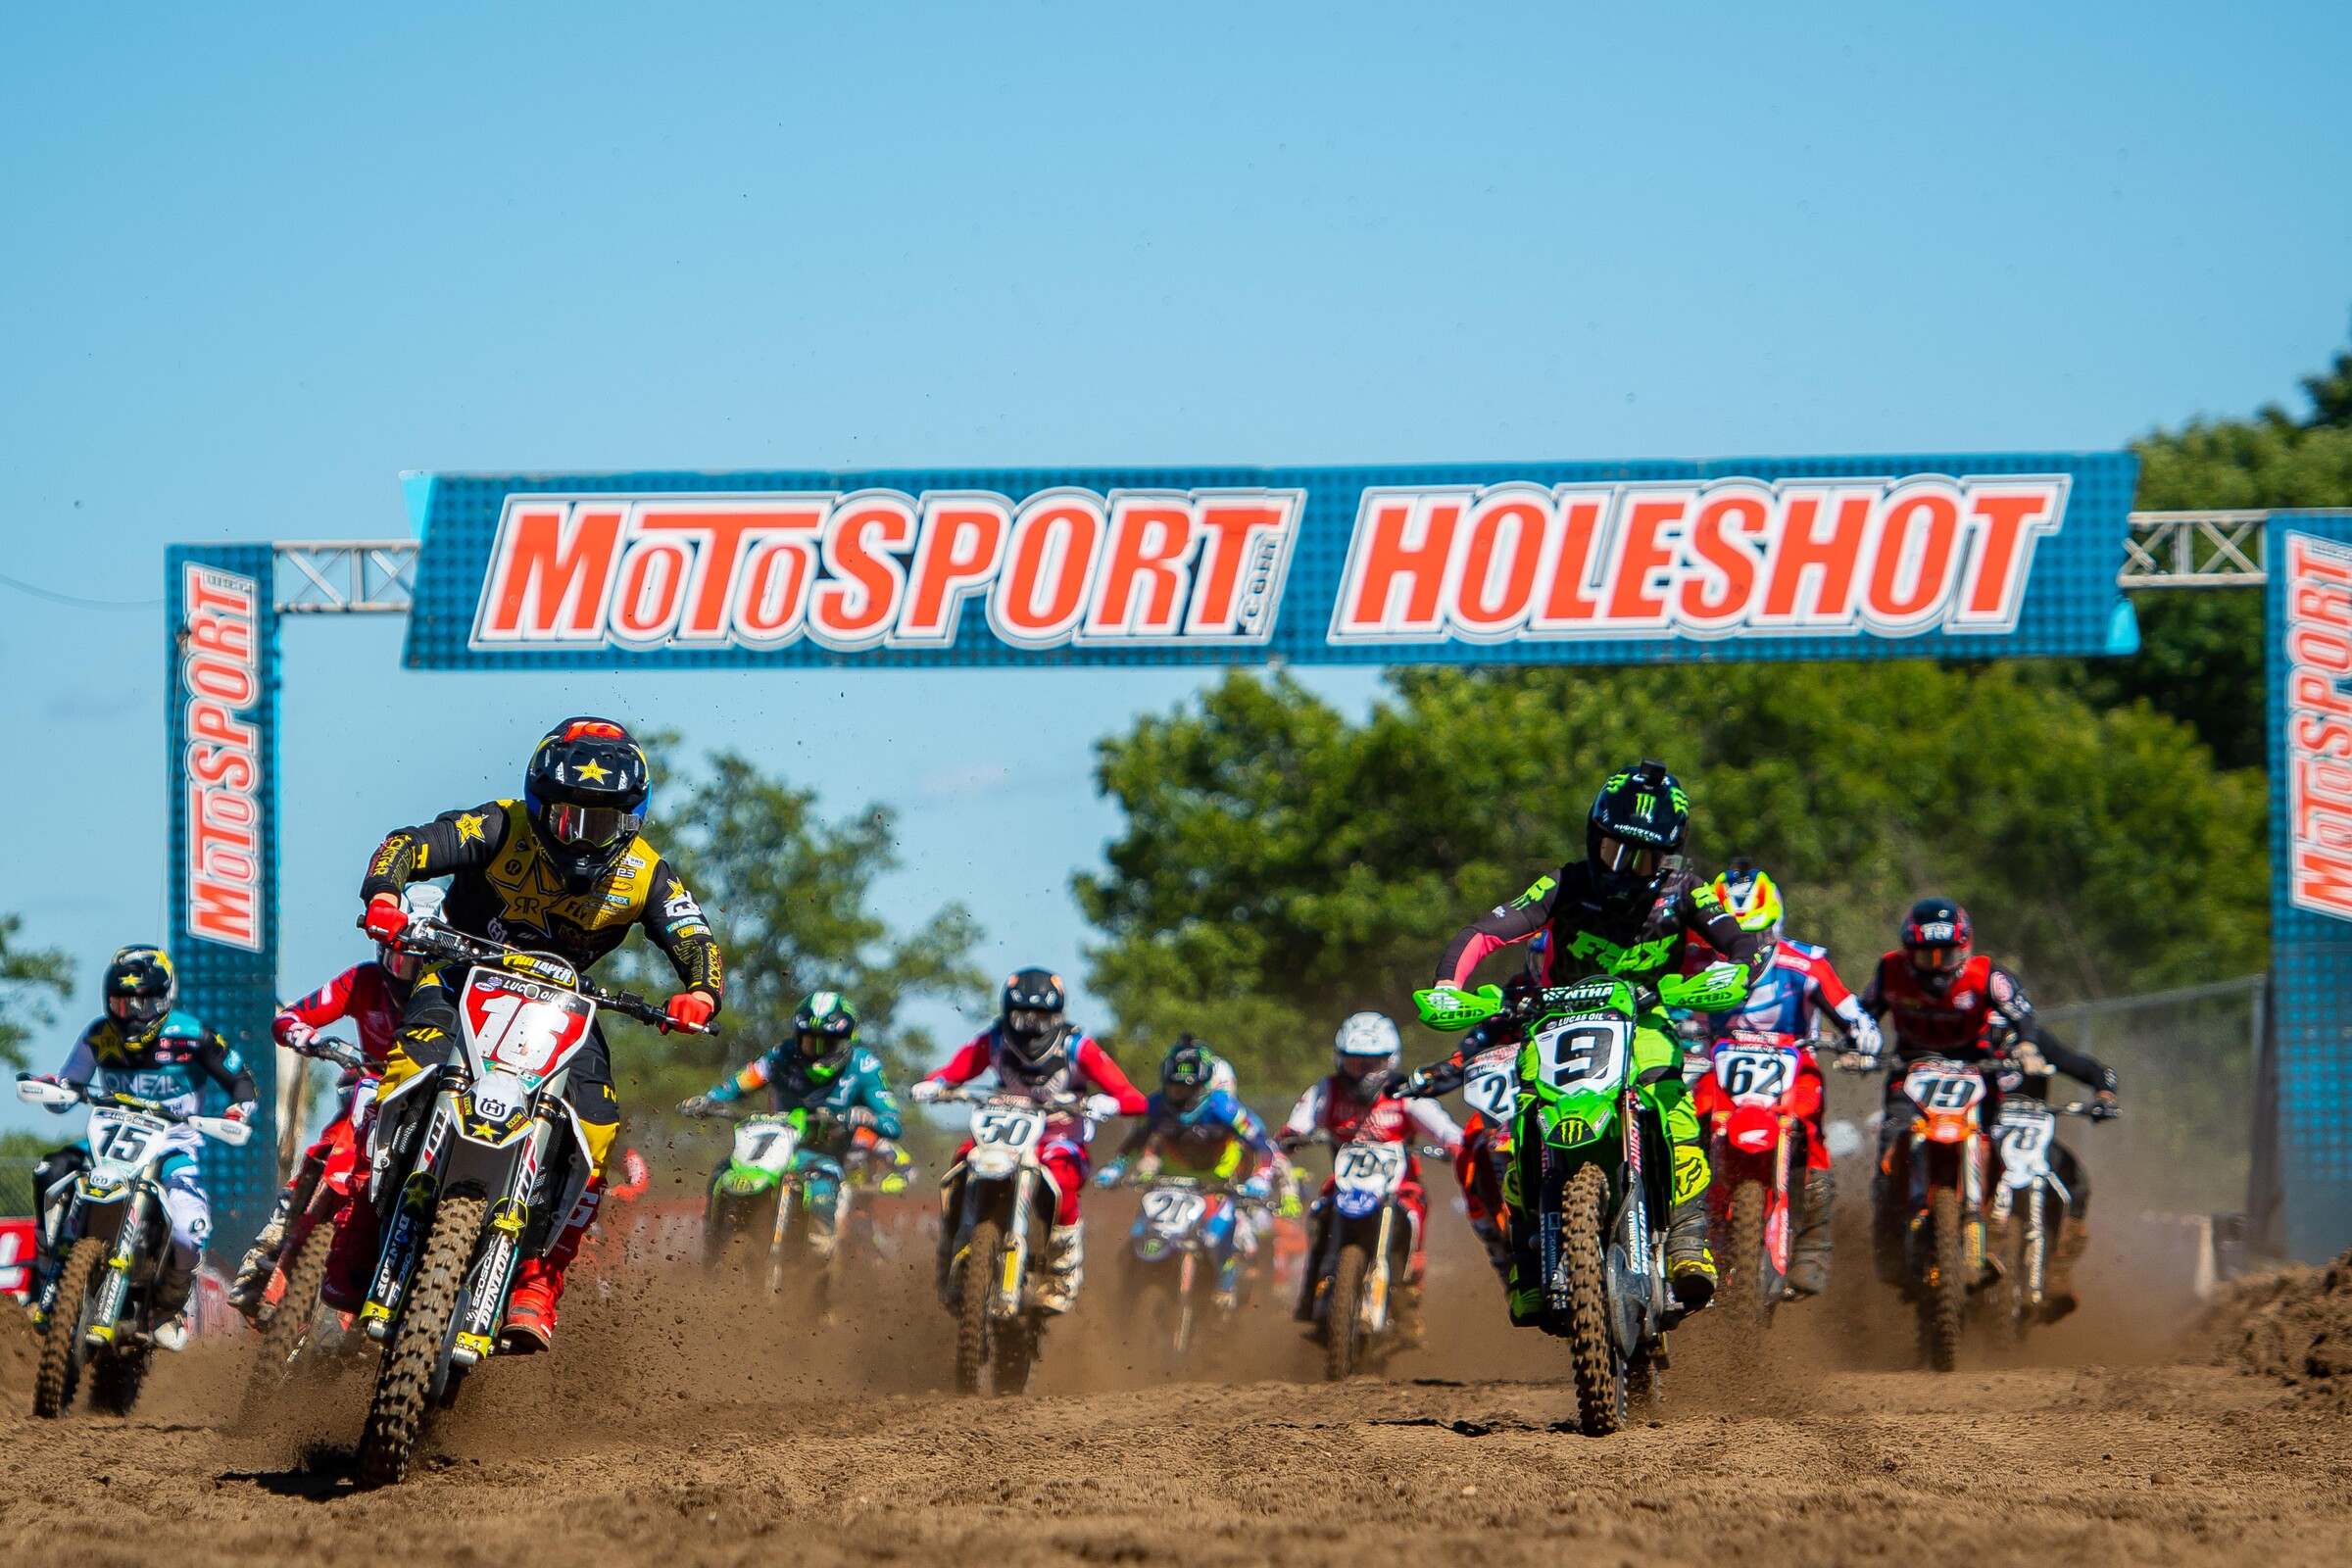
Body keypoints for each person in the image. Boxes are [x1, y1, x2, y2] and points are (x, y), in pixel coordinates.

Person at [344, 716, 724, 1350]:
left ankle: (539, 1284)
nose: (582, 835)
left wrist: (700, 993)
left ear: (632, 819)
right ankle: (373, 1203)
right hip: (460, 976)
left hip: (562, 1005)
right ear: (537, 802)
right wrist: (385, 894)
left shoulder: (646, 872)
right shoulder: (497, 825)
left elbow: (694, 937)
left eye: (603, 822)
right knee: (403, 1075)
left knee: (597, 1129)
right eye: (568, 816)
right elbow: (407, 844)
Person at [1427, 760, 1769, 1323]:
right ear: (1594, 836)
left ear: (1672, 853)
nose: (1628, 867)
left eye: (1646, 856)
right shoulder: (1564, 882)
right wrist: (1448, 984)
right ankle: (1529, 1265)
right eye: (1615, 849)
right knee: (1521, 1129)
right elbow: (1486, 931)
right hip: (1556, 1026)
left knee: (1674, 1110)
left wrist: (1729, 976)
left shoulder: (1688, 892)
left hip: (1647, 1025)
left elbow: (1746, 941)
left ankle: (1687, 1241)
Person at [1858, 897, 2120, 1290]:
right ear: (1908, 952)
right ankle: (1888, 1236)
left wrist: (2031, 1049)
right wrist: (1857, 1044)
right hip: (1910, 1073)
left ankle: (2005, 1235)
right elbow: (1862, 1015)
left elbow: (2038, 1032)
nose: (1937, 965)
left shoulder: (1990, 981)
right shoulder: (1889, 971)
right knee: (1889, 1151)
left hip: (1977, 1081)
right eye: (1926, 956)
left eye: (1946, 955)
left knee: (2019, 1155)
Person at [227, 884, 443, 1317]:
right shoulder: (364, 980)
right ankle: (270, 1246)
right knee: (325, 1147)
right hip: (370, 1087)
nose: (407, 970)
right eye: (400, 956)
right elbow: (290, 1017)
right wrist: (310, 1038)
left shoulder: (452, 992)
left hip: (432, 1101)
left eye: (420, 961)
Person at [26, 946, 257, 1347]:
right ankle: (44, 1271)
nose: (134, 1013)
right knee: (48, 1172)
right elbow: (68, 1087)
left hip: (171, 1148)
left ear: (165, 998)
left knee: (188, 1230)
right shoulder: (99, 1034)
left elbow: (242, 1081)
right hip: (106, 1143)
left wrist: (238, 1111)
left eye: (146, 1002)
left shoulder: (192, 1035)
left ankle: (169, 1305)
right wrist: (56, 1089)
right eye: (122, 1002)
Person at [1690, 860, 1881, 1298]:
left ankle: (1813, 1241)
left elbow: (1851, 1009)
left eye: (1756, 933)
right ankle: (1682, 1225)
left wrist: (1862, 1034)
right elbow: (1654, 992)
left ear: (1775, 925)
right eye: (1729, 935)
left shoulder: (1806, 962)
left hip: (1792, 1070)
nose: (1745, 945)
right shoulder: (1695, 961)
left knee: (1811, 1122)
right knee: (1687, 1120)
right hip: (1718, 1068)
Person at [908, 968, 1146, 1314]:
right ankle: (950, 1249)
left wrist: (1108, 1101)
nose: (1032, 1026)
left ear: (1058, 1016)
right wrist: (935, 1083)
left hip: (1058, 1139)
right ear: (1008, 1014)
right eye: (1022, 1017)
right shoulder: (995, 1039)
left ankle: (1062, 1275)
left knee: (1062, 1183)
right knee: (961, 1161)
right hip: (1001, 1133)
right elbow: (955, 1070)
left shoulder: (1077, 1045)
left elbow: (1133, 1097)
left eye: (1042, 1018)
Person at [679, 990, 905, 1263]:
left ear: (846, 1041)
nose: (817, 1053)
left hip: (827, 1157)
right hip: (770, 1151)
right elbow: (741, 1082)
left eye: (827, 1044)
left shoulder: (864, 1066)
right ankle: (713, 1250)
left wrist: (865, 1117)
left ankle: (817, 1272)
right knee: (723, 1172)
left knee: (822, 1191)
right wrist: (709, 1100)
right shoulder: (782, 1055)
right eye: (810, 1042)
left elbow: (891, 1122)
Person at [1282, 1012, 1463, 1344]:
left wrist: (1452, 1143)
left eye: (1373, 1063)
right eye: (1355, 1063)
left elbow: (1442, 1126)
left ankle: (1409, 1300)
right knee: (1320, 1213)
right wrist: (1292, 1135)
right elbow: (1302, 1119)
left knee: (1415, 1216)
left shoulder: (1403, 1091)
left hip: (1399, 1186)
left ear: (1390, 1061)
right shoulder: (1328, 1089)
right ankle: (1311, 1293)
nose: (1364, 1072)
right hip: (1345, 1183)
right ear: (1340, 1060)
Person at [1095, 1035, 1294, 1310]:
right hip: (1168, 1185)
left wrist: (1261, 1177)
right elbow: (1136, 1140)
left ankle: (1224, 1290)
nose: (1182, 1095)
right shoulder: (1156, 1106)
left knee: (1217, 1235)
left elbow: (1262, 1146)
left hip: (1216, 1186)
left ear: (1205, 1086)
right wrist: (1116, 1166)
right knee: (1140, 1232)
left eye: (1190, 1089)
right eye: (1175, 1087)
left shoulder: (1223, 1108)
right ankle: (1125, 1298)